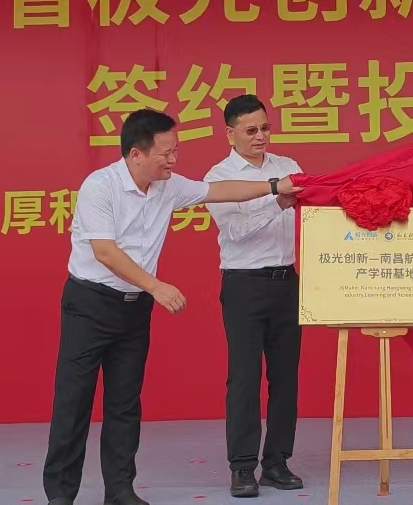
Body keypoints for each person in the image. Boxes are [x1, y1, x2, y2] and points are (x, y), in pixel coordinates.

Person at [42, 109, 303, 505]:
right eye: (166, 153)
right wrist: (155, 286)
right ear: (136, 154)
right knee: (73, 403)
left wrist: (273, 186)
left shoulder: (169, 186)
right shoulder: (100, 186)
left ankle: (120, 491)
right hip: (89, 305)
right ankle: (61, 496)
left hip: (133, 310)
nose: (173, 160)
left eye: (175, 151)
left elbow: (219, 191)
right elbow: (105, 252)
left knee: (125, 404)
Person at [203, 95, 304, 498]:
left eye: (265, 128)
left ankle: (277, 462)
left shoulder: (288, 166)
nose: (260, 136)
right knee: (244, 378)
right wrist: (277, 202)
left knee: (285, 377)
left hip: (288, 281)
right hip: (244, 285)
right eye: (250, 130)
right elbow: (235, 232)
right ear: (230, 134)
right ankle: (243, 467)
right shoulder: (218, 176)